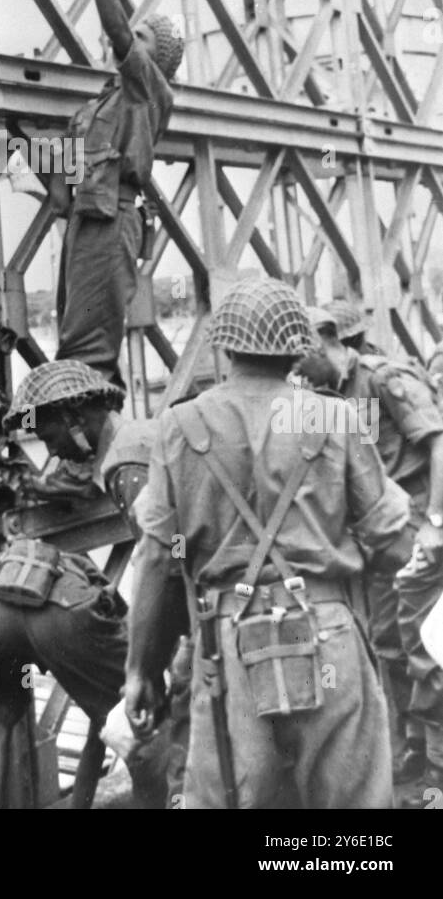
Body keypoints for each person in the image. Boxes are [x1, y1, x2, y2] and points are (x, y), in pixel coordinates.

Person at [125, 278, 414, 810]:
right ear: (297, 347)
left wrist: (141, 669)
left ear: (224, 344)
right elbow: (393, 541)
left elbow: (158, 558)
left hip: (227, 642)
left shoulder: (178, 426)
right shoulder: (332, 416)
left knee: (237, 799)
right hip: (327, 633)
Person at [0, 360, 174, 808]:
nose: (56, 451)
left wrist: (145, 662)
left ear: (76, 419)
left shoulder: (125, 464)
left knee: (155, 740)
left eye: (50, 438)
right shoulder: (140, 439)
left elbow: (161, 557)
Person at [298, 306, 443, 802]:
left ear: (325, 341)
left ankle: (436, 769)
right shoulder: (323, 398)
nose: (294, 370)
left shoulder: (384, 378)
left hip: (417, 534)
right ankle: (413, 748)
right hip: (379, 544)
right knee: (388, 645)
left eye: (301, 356)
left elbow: (440, 445)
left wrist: (437, 525)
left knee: (428, 650)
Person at [46, 0, 184, 388]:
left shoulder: (150, 89)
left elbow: (119, 33)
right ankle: (87, 450)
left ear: (156, 59)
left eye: (141, 36)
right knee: (73, 343)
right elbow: (61, 191)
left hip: (111, 222)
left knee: (89, 353)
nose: (126, 35)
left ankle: (98, 454)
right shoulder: (96, 108)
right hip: (84, 223)